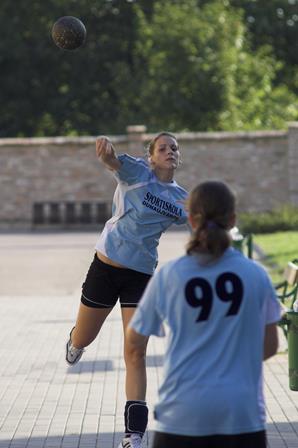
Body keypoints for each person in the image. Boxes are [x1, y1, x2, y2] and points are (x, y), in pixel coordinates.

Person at [126, 180, 281, 448]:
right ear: (232, 219)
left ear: (191, 219)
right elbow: (269, 346)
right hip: (241, 414)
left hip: (181, 413)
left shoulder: (170, 275)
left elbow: (134, 340)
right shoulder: (256, 275)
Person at [65, 132, 188, 448]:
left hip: (141, 276)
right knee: (84, 337)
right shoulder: (136, 173)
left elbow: (204, 226)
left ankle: (133, 434)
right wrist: (106, 153)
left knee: (135, 351)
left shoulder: (180, 199)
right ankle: (75, 340)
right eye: (162, 148)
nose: (169, 151)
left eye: (174, 148)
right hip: (106, 268)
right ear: (151, 157)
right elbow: (112, 162)